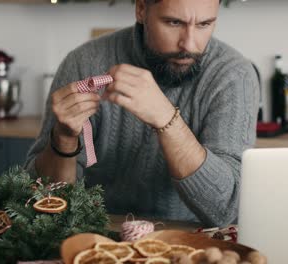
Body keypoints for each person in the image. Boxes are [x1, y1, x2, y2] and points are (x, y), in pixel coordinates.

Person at [25, 0, 259, 227]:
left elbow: (225, 210)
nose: (189, 44)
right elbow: (44, 203)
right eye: (174, 23)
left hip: (193, 240)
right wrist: (64, 138)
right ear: (141, 9)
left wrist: (166, 118)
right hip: (97, 233)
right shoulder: (84, 63)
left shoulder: (234, 75)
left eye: (204, 24)